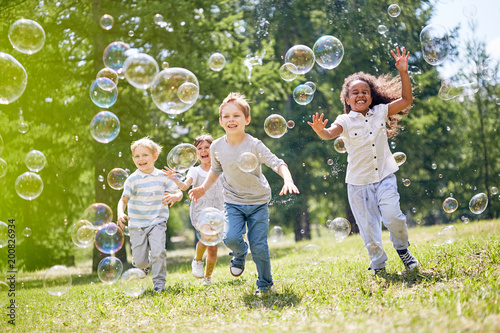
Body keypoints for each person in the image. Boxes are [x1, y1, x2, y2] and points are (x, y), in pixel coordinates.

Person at [308, 47, 418, 276]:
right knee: (369, 230)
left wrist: (403, 72)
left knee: (394, 216)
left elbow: (407, 99)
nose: (360, 95)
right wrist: (320, 130)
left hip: (385, 176)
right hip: (358, 184)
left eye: (365, 91)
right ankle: (378, 264)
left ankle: (403, 250)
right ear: (347, 99)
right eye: (355, 92)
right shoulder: (345, 120)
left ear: (371, 95)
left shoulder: (380, 111)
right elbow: (330, 133)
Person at [189, 92, 300, 294]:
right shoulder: (216, 146)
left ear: (246, 119)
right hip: (233, 202)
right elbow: (215, 170)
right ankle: (239, 253)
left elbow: (277, 162)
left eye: (236, 115)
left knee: (259, 247)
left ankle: (265, 284)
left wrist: (288, 179)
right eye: (226, 116)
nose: (231, 119)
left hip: (258, 202)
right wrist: (203, 188)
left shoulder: (254, 144)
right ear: (221, 121)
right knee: (230, 238)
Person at [117, 137, 183, 292]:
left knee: (159, 252)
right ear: (133, 159)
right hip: (137, 225)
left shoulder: (162, 176)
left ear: (154, 156)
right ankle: (144, 268)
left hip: (157, 222)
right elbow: (123, 199)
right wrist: (120, 212)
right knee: (139, 262)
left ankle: (159, 285)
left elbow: (178, 192)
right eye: (137, 156)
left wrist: (175, 196)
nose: (141, 159)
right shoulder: (132, 179)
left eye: (145, 155)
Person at [163, 134, 224, 286]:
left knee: (213, 248)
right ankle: (197, 260)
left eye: (207, 147)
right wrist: (175, 179)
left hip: (219, 211)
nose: (203, 151)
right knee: (205, 238)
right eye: (199, 148)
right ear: (196, 153)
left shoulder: (221, 168)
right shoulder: (194, 171)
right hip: (201, 211)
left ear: (213, 150)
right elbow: (184, 186)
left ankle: (208, 277)